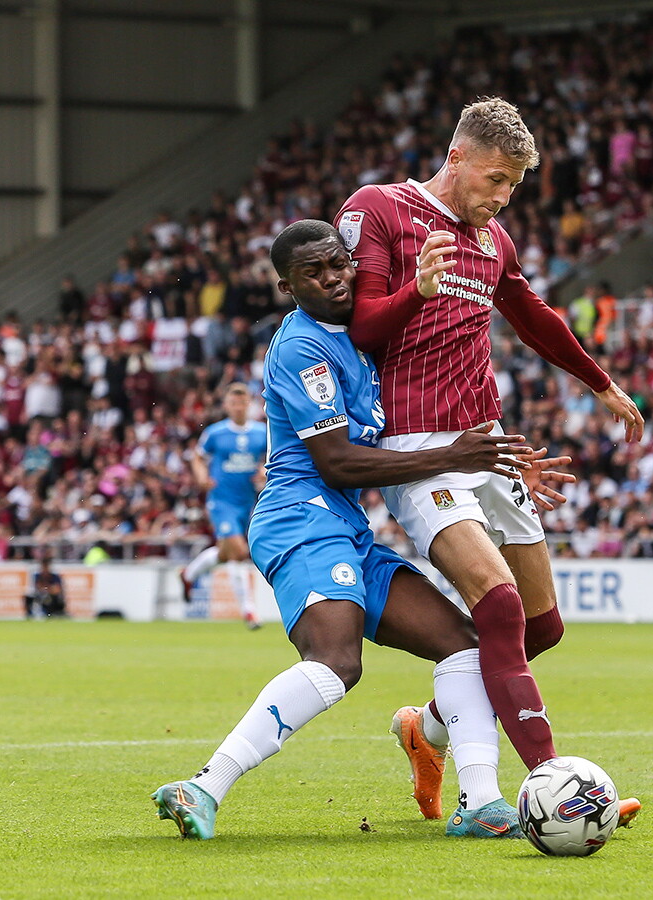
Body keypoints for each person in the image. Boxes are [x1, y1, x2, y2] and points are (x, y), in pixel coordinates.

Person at [153, 220, 553, 841]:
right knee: (338, 661)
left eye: (339, 264)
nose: (335, 278)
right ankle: (203, 786)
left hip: (348, 526)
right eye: (314, 273)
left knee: (467, 645)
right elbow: (337, 461)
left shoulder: (366, 334)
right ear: (288, 286)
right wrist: (456, 459)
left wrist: (498, 461)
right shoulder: (302, 347)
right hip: (299, 516)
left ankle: (480, 801)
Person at [335, 97, 643, 824]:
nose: (501, 198)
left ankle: (426, 728)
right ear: (457, 158)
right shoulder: (378, 208)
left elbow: (535, 315)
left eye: (513, 187)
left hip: (489, 444)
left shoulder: (491, 240)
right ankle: (559, 787)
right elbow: (360, 323)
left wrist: (601, 384)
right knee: (497, 605)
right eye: (495, 179)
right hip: (418, 446)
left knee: (541, 628)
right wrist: (419, 290)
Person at [180, 383, 268, 629]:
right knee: (239, 551)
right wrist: (201, 477)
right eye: (233, 402)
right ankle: (249, 612)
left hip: (248, 501)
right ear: (226, 405)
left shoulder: (261, 432)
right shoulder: (215, 433)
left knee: (226, 553)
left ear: (248, 404)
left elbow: (270, 460)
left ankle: (188, 575)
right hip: (221, 501)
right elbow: (197, 457)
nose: (238, 407)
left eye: (242, 402)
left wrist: (262, 471)